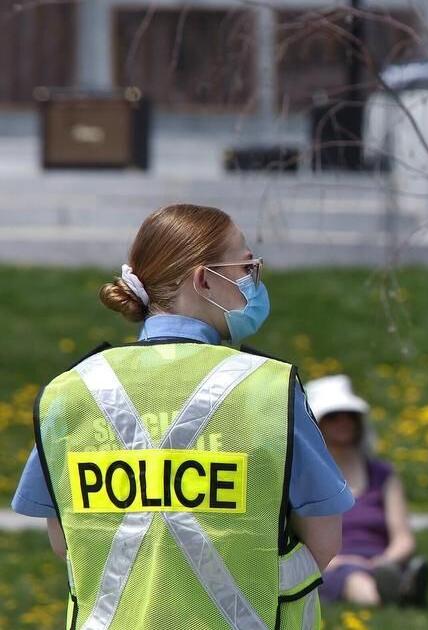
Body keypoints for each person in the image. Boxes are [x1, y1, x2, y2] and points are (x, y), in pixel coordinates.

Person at [9, 204, 351, 629]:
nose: (253, 281)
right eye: (246, 266)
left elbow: (66, 543)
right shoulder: (269, 388)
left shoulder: (68, 392)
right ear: (204, 279)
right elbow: (323, 540)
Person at [309, 375, 428, 608]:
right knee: (353, 578)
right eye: (333, 416)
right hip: (334, 565)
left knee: (379, 573)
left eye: (351, 415)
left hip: (383, 563)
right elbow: (302, 543)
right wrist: (343, 562)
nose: (344, 422)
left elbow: (403, 537)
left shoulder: (383, 474)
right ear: (318, 424)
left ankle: (395, 587)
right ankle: (392, 596)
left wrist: (381, 562)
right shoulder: (306, 478)